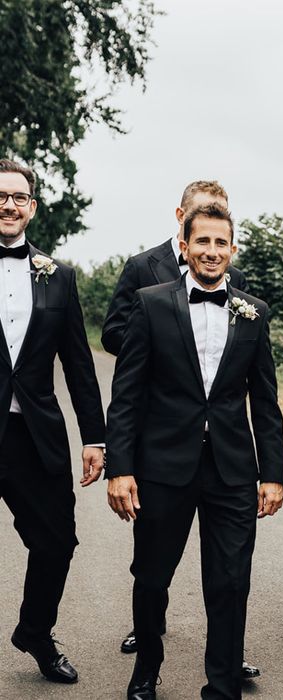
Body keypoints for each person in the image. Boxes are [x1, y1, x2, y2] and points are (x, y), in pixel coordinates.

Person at [105, 203, 283, 700]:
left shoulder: (253, 312)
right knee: (151, 575)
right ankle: (146, 670)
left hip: (231, 469)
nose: (211, 251)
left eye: (220, 242)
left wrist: (273, 472)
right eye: (201, 241)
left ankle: (222, 686)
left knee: (230, 582)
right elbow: (126, 396)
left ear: (232, 249)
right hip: (162, 465)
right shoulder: (151, 303)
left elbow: (265, 401)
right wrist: (120, 468)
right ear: (184, 246)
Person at [0, 159, 105, 683]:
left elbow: (79, 363)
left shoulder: (57, 276)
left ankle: (35, 632)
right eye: (1, 195)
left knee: (57, 541)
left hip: (33, 432)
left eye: (19, 197)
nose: (8, 204)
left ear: (32, 207)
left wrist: (95, 438)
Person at [101, 179, 248, 356]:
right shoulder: (141, 267)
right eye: (201, 212)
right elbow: (113, 333)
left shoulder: (236, 277)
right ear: (180, 215)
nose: (211, 219)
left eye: (220, 213)